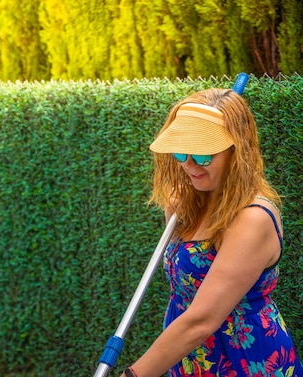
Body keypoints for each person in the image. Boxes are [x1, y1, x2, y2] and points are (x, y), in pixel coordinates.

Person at [119, 88, 303, 377]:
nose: (189, 166)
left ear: (237, 151)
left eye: (204, 155)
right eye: (181, 152)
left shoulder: (253, 219)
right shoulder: (182, 207)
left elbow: (201, 320)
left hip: (245, 361)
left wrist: (133, 375)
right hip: (189, 359)